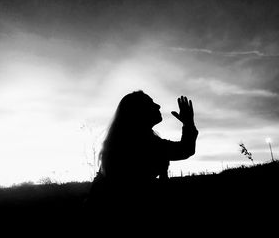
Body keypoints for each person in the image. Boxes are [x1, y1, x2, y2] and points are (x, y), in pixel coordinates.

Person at [83, 90, 198, 218]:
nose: (158, 106)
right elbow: (185, 150)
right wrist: (189, 123)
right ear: (138, 112)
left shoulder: (124, 140)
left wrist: (188, 124)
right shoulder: (144, 143)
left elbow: (185, 150)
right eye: (151, 103)